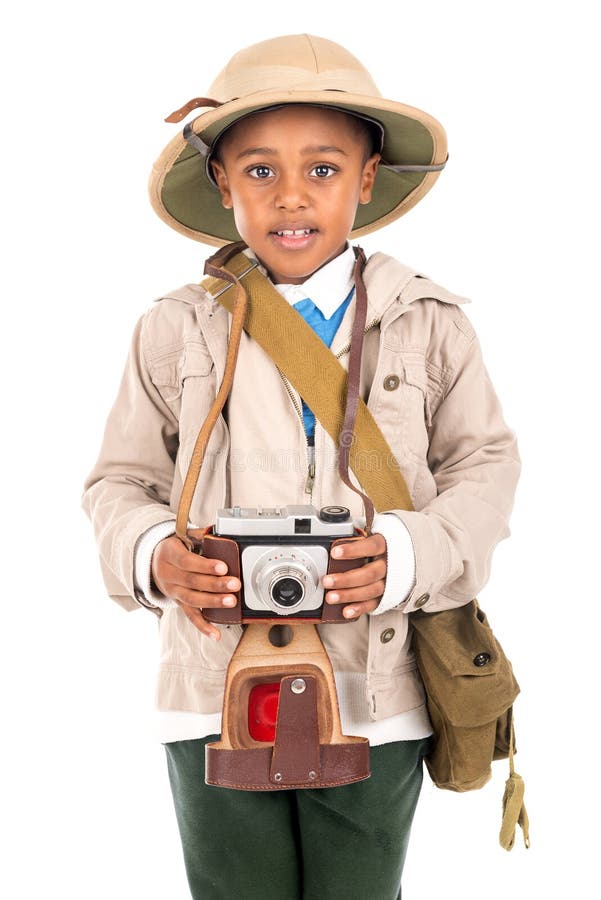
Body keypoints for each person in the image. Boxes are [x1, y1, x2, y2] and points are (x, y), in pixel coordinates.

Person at [82, 33, 521, 900]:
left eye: (322, 169)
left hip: (378, 682)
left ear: (366, 179)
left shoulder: (428, 321)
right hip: (210, 686)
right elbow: (116, 482)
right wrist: (151, 557)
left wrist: (407, 553)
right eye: (257, 170)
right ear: (220, 183)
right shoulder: (174, 327)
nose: (290, 195)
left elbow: (485, 466)